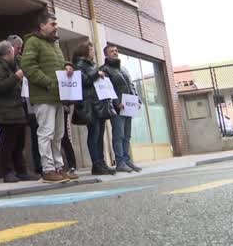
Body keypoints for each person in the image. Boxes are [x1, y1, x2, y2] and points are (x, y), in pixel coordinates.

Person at [21, 12, 76, 184]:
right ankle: (48, 169)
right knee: (46, 132)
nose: (56, 27)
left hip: (57, 96)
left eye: (56, 24)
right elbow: (28, 66)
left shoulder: (55, 45)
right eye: (52, 24)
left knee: (58, 134)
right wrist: (48, 82)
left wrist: (67, 66)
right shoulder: (33, 42)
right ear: (42, 26)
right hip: (44, 96)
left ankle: (58, 167)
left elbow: (58, 65)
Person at [0, 40, 32, 183]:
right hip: (5, 112)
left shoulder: (12, 66)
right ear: (9, 52)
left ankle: (21, 171)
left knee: (19, 143)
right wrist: (16, 77)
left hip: (16, 109)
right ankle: (7, 172)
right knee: (7, 144)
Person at [72, 41, 116, 176]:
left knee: (99, 135)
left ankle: (101, 162)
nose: (93, 52)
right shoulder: (79, 65)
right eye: (91, 50)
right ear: (84, 51)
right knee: (94, 134)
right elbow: (84, 81)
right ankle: (96, 164)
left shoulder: (93, 65)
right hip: (90, 105)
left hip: (98, 104)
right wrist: (97, 74)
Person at [101, 44, 143, 173]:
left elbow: (131, 85)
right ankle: (120, 162)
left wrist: (137, 98)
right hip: (118, 107)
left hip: (129, 106)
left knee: (127, 135)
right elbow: (107, 89)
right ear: (106, 54)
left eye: (116, 51)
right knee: (118, 135)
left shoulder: (123, 69)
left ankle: (127, 160)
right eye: (112, 51)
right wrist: (116, 102)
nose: (115, 53)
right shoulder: (105, 69)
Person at [8, 34, 42, 176]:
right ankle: (15, 170)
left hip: (28, 103)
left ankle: (37, 167)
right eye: (18, 48)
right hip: (14, 104)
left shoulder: (22, 61)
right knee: (14, 140)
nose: (20, 51)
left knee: (34, 135)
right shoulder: (4, 64)